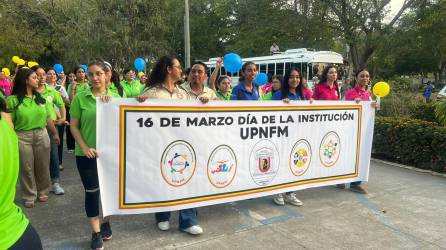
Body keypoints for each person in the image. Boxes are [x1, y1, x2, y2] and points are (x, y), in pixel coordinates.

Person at [138, 55, 204, 235]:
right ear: (168, 69)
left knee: (187, 180)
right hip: (159, 146)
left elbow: (192, 116)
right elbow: (138, 118)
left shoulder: (183, 93)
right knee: (163, 180)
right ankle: (162, 216)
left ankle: (188, 220)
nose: (181, 70)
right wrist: (137, 103)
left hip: (183, 145)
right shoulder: (150, 92)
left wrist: (202, 103)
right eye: (178, 67)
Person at [70, 61, 120, 250]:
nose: (94, 78)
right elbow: (74, 126)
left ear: (107, 75)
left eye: (98, 73)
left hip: (110, 156)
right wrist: (84, 147)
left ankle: (106, 221)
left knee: (109, 191)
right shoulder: (80, 99)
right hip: (86, 155)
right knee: (92, 192)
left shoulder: (115, 98)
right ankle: (95, 232)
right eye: (91, 74)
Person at [6, 68, 60, 208]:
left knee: (43, 165)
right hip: (22, 136)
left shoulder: (40, 98)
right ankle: (30, 195)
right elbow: (8, 122)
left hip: (42, 134)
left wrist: (54, 134)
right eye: (35, 77)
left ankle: (43, 191)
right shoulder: (12, 100)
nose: (39, 79)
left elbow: (48, 118)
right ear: (25, 80)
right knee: (26, 167)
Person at [0, 97, 43, 250]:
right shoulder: (6, 125)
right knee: (28, 170)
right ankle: (30, 194)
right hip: (21, 231)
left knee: (39, 169)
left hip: (9, 235)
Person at [271, 69, 306, 206]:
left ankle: (290, 193)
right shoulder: (279, 95)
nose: (295, 80)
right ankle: (277, 191)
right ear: (287, 79)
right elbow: (270, 115)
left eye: (297, 77)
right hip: (281, 136)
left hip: (296, 137)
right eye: (291, 77)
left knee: (294, 164)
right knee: (281, 163)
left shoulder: (301, 96)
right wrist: (280, 105)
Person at [34, 66, 65, 195]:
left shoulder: (52, 91)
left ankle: (55, 183)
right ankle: (38, 185)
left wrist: (63, 118)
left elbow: (61, 104)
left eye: (43, 75)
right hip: (35, 127)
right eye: (38, 75)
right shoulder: (30, 91)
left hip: (51, 126)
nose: (41, 77)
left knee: (53, 155)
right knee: (37, 157)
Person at [343, 69, 376, 194]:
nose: (365, 78)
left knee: (362, 155)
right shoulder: (351, 93)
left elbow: (371, 110)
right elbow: (345, 110)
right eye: (362, 76)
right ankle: (339, 178)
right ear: (356, 78)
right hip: (351, 130)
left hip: (364, 130)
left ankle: (355, 183)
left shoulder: (369, 93)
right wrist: (353, 103)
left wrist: (375, 106)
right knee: (349, 155)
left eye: (367, 76)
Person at [48, 68, 70, 172]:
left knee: (59, 141)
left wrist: (62, 96)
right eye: (49, 74)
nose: (52, 76)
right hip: (49, 119)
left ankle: (59, 162)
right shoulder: (42, 88)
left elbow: (67, 102)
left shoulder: (60, 87)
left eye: (54, 74)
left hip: (60, 119)